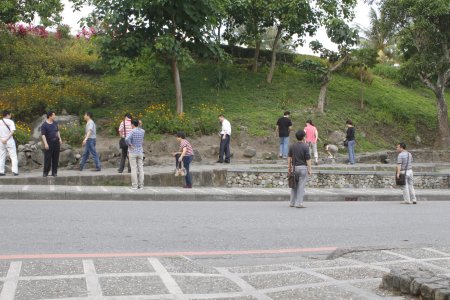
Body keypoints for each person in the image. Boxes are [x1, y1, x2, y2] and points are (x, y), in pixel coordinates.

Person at [288, 130, 312, 208]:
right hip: (303, 168)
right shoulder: (305, 146)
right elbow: (308, 159)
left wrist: (289, 167)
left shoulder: (292, 146)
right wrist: (309, 169)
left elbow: (289, 158)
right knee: (301, 187)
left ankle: (292, 203)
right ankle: (299, 204)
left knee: (294, 186)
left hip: (294, 167)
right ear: (303, 137)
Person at [41, 111, 62, 177]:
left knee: (55, 158)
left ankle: (54, 172)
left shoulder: (55, 123)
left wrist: (60, 138)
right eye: (54, 115)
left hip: (56, 142)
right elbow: (43, 135)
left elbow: (57, 131)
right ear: (50, 116)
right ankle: (45, 172)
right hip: (49, 142)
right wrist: (46, 143)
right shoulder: (44, 125)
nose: (55, 116)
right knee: (48, 158)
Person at [125, 119, 145, 190]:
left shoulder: (132, 131)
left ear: (133, 124)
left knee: (133, 169)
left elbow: (126, 139)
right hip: (140, 151)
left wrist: (130, 144)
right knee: (141, 169)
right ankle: (141, 185)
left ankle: (135, 185)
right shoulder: (143, 131)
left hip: (133, 151)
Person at [0, 110, 19, 176]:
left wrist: (2, 139)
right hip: (9, 141)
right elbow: (12, 132)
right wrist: (6, 139)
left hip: (1, 141)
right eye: (10, 114)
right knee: (13, 156)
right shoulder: (11, 122)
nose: (10, 116)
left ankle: (1, 171)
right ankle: (15, 171)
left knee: (2, 156)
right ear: (8, 115)